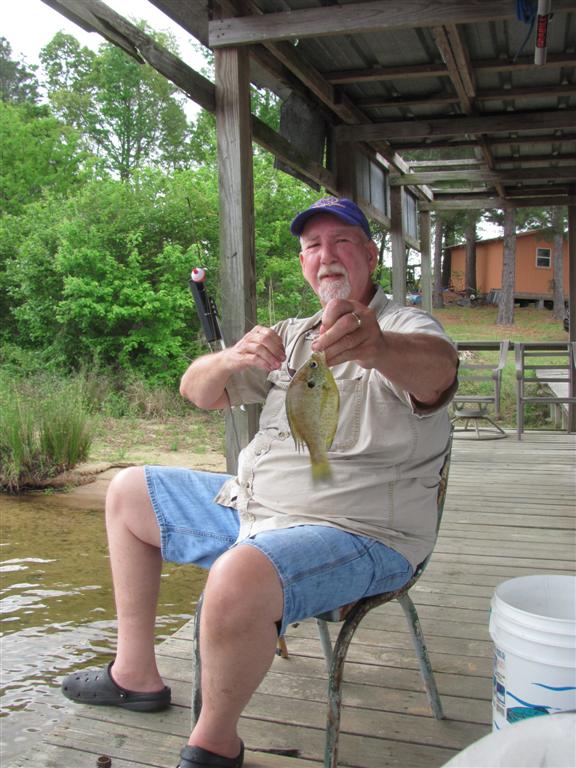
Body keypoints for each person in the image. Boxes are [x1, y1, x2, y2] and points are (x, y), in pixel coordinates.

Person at [61, 197, 458, 768]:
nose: (327, 256)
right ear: (303, 263)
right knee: (128, 490)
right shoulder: (292, 336)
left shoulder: (404, 326)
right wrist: (227, 359)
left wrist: (380, 347)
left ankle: (214, 743)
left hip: (362, 531)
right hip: (256, 509)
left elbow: (440, 370)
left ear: (370, 255)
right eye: (313, 246)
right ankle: (135, 674)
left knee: (240, 571)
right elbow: (197, 392)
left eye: (342, 242)